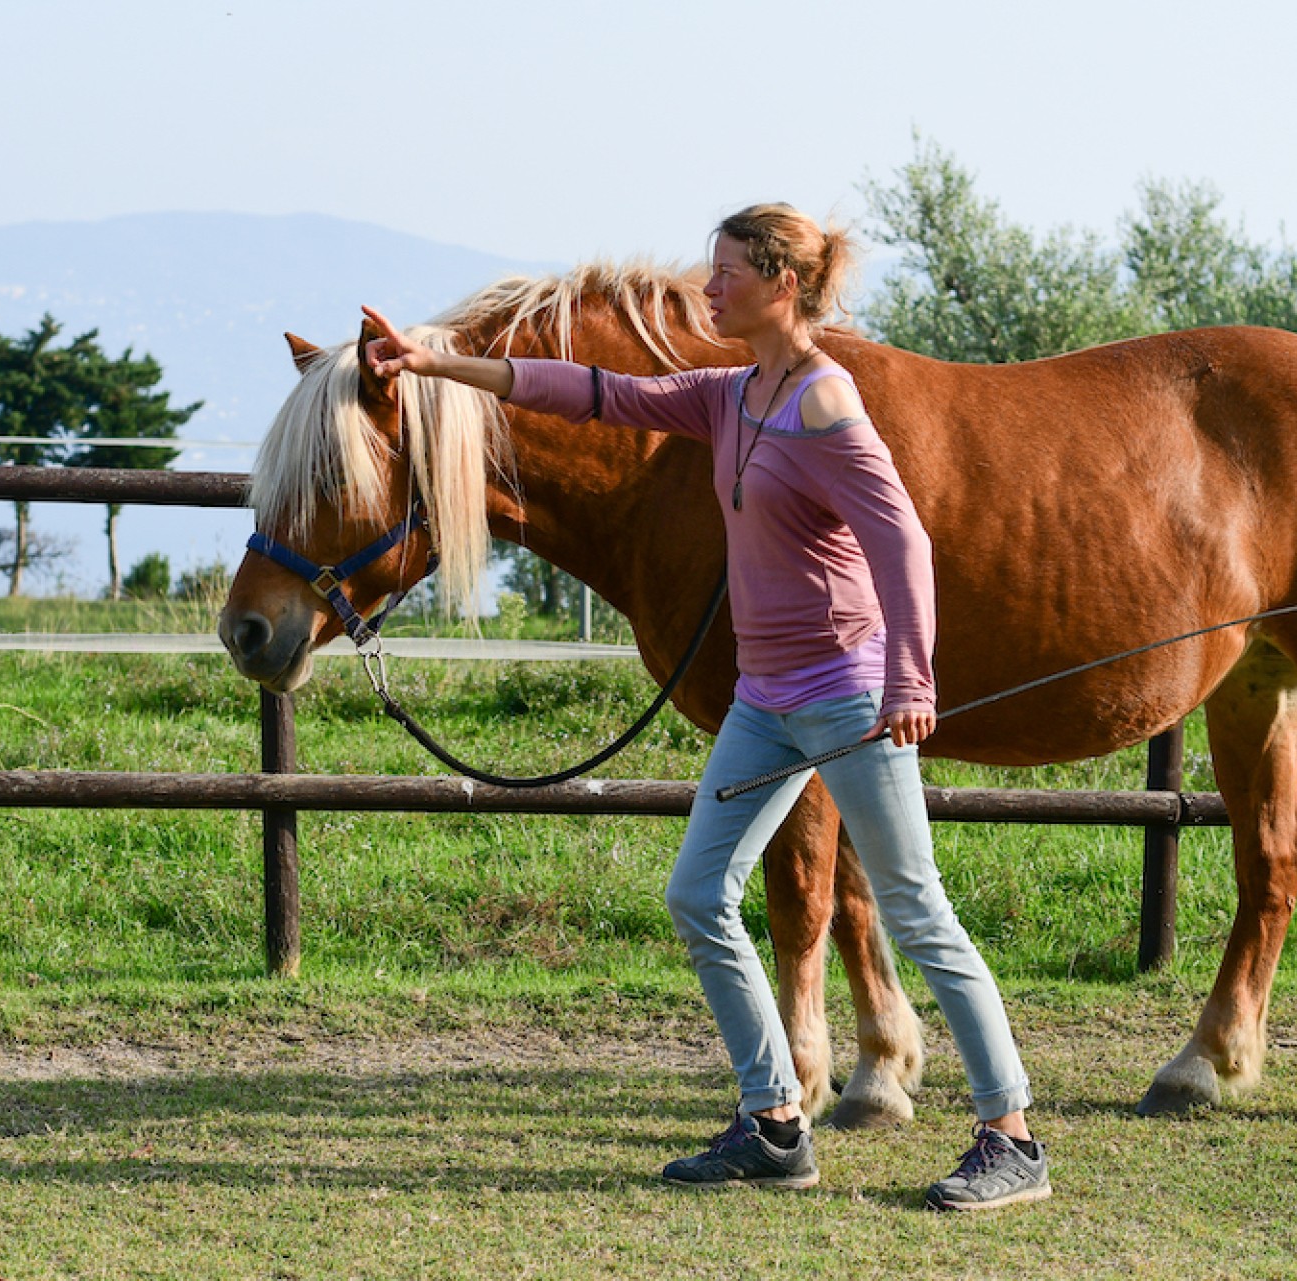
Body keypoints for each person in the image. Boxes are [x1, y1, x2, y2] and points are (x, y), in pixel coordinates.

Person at [363, 203, 1049, 1211]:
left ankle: (1011, 1136)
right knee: (699, 895)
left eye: (727, 273)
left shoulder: (824, 403)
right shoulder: (730, 396)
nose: (709, 286)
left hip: (849, 696)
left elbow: (899, 538)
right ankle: (774, 1122)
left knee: (916, 911)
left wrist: (912, 675)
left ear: (782, 284)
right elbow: (587, 393)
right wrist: (432, 368)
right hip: (765, 703)